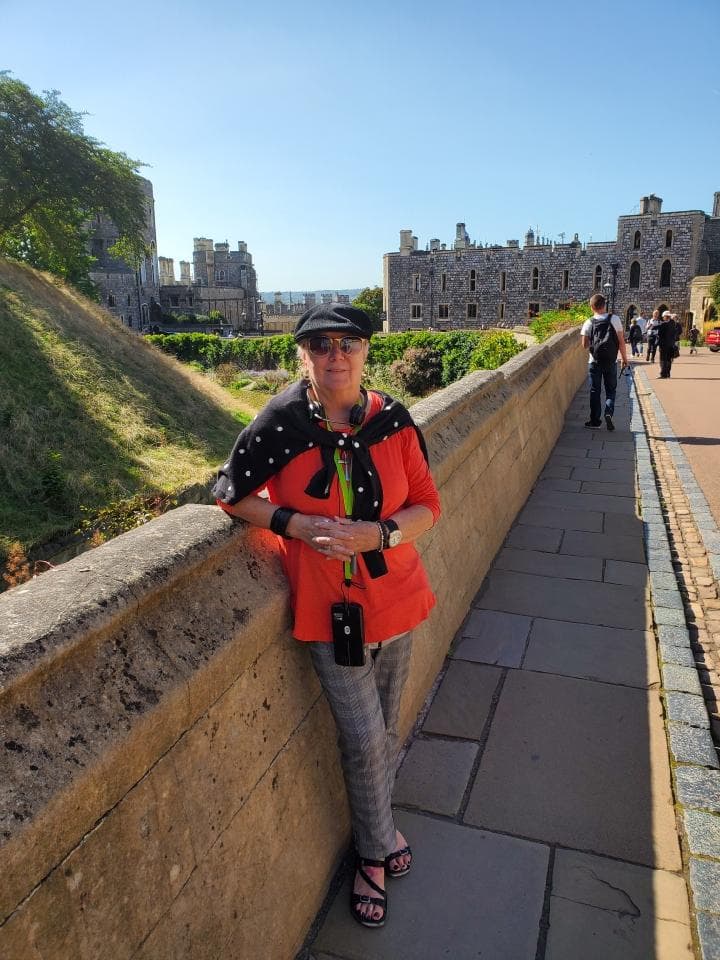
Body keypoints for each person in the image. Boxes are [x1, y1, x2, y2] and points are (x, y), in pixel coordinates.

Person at [212, 304, 441, 929]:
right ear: (302, 356)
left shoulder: (391, 419)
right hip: (328, 610)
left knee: (384, 730)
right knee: (364, 739)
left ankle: (382, 826)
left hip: (395, 598)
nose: (335, 355)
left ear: (367, 352)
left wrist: (382, 533)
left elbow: (427, 504)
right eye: (320, 344)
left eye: (348, 343)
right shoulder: (281, 422)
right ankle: (373, 853)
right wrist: (294, 523)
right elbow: (230, 493)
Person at [580, 293, 629, 431]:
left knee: (595, 391)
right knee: (611, 390)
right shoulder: (615, 319)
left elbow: (584, 345)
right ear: (604, 305)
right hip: (610, 361)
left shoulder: (589, 322)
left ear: (592, 307)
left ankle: (595, 421)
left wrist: (595, 343)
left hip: (594, 361)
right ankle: (608, 412)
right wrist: (624, 359)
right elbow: (621, 342)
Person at [658, 310, 677, 378]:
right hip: (671, 344)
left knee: (663, 359)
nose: (663, 318)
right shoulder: (673, 324)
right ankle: (668, 373)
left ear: (666, 317)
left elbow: (659, 334)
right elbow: (675, 333)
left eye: (663, 317)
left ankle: (663, 374)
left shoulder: (663, 324)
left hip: (663, 345)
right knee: (669, 359)